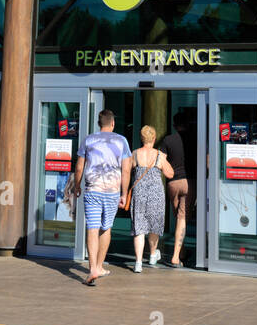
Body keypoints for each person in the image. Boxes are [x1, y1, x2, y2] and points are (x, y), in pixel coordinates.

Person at [73, 109, 132, 285]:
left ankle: (93, 269)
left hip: (93, 189)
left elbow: (79, 167)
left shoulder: (88, 140)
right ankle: (99, 266)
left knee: (92, 227)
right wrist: (124, 193)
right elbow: (127, 169)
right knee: (106, 228)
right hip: (112, 191)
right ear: (112, 123)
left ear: (99, 124)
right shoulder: (122, 141)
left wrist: (77, 185)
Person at [129, 125, 174, 272]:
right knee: (154, 225)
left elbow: (126, 170)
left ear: (142, 138)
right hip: (155, 194)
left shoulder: (135, 154)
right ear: (154, 139)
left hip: (139, 193)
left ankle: (138, 263)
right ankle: (153, 255)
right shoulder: (159, 155)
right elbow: (170, 174)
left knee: (139, 228)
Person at [161, 111, 194, 268]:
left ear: (174, 125)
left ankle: (181, 252)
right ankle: (175, 257)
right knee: (182, 219)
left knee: (178, 219)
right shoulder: (196, 138)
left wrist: (170, 172)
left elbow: (160, 160)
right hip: (189, 182)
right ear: (188, 124)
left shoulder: (168, 140)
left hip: (173, 183)